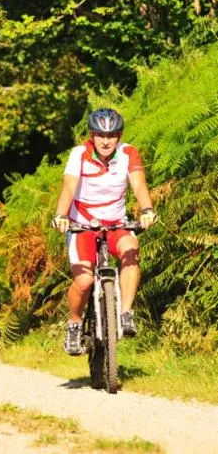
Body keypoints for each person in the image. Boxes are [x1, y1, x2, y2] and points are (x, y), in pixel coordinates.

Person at [51, 108, 157, 356]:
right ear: (92, 135)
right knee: (85, 280)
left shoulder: (128, 153)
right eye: (100, 135)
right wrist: (61, 216)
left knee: (131, 249)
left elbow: (139, 184)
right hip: (83, 226)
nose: (106, 141)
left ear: (119, 136)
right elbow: (68, 187)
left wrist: (147, 209)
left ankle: (126, 314)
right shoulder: (79, 154)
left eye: (112, 135)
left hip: (116, 224)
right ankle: (75, 324)